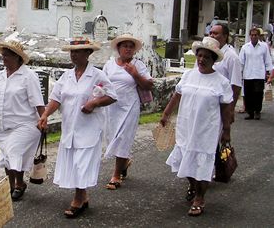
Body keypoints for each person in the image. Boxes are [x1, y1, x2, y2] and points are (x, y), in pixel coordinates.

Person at [37, 39, 117, 218]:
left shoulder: (97, 75)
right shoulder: (66, 76)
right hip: (70, 128)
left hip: (89, 128)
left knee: (82, 164)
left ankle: (78, 198)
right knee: (74, 164)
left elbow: (112, 95)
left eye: (78, 52)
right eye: (72, 52)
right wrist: (45, 115)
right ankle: (83, 195)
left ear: (88, 53)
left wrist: (95, 102)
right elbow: (56, 99)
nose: (74, 55)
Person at [160, 37, 233, 217]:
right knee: (186, 159)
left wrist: (226, 131)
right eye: (199, 56)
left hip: (206, 130)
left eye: (206, 57)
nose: (201, 60)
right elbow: (177, 96)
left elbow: (226, 109)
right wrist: (166, 114)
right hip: (186, 126)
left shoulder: (221, 82)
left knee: (203, 163)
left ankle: (199, 198)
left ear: (213, 60)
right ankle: (193, 185)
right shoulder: (188, 75)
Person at [0, 40, 45, 201]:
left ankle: (18, 183)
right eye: (3, 55)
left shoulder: (28, 76)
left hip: (24, 124)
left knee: (13, 151)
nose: (4, 58)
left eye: (7, 55)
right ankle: (13, 185)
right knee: (5, 157)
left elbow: (38, 102)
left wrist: (44, 119)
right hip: (2, 125)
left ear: (17, 57)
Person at [103, 34, 153, 190]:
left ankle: (116, 175)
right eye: (125, 46)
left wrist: (135, 74)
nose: (128, 49)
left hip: (129, 106)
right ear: (118, 48)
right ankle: (124, 161)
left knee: (123, 138)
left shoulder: (138, 65)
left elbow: (148, 85)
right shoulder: (109, 65)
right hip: (111, 107)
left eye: (131, 47)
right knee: (112, 136)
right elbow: (101, 82)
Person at [209, 24, 242, 122]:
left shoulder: (231, 57)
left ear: (225, 36)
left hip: (221, 104)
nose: (211, 36)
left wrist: (231, 110)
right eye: (210, 33)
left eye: (215, 33)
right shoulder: (207, 53)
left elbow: (236, 85)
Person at [239, 28, 273, 120]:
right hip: (248, 74)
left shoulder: (264, 46)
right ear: (250, 36)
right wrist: (239, 73)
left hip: (259, 74)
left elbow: (268, 60)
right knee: (248, 94)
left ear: (258, 36)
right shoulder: (245, 47)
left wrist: (270, 74)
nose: (254, 37)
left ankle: (257, 111)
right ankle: (250, 112)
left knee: (258, 94)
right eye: (252, 35)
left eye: (255, 35)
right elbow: (241, 62)